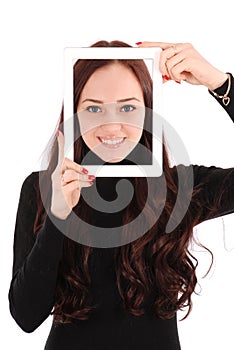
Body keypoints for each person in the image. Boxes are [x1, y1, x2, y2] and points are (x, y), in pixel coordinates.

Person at [8, 40, 234, 350]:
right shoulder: (40, 187)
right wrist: (57, 217)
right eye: (93, 107)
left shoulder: (176, 187)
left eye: (128, 107)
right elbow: (26, 316)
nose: (112, 125)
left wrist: (220, 83)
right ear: (74, 111)